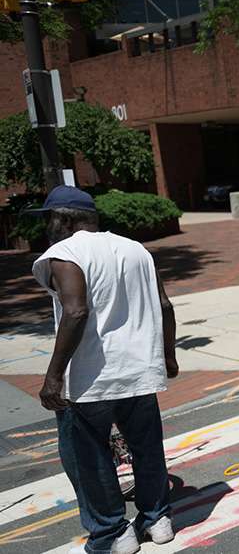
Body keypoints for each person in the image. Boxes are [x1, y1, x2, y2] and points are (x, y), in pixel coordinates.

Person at [30, 185, 178, 554]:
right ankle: (157, 519)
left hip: (91, 377)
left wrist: (53, 376)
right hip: (140, 369)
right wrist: (169, 356)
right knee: (146, 447)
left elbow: (76, 311)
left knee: (86, 455)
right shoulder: (136, 249)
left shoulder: (65, 253)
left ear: (63, 219)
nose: (47, 227)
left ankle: (112, 531)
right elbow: (165, 305)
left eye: (49, 219)